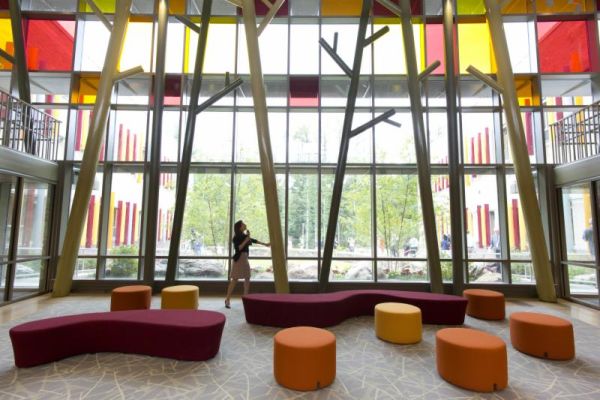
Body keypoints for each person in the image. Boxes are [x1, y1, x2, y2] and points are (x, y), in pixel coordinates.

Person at [224, 220, 270, 308]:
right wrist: (246, 239)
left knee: (247, 277)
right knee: (235, 279)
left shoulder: (245, 236)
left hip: (244, 259)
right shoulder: (236, 237)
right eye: (243, 224)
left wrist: (265, 244)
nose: (245, 225)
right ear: (240, 227)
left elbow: (255, 241)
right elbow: (239, 248)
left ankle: (245, 298)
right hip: (238, 259)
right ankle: (227, 299)